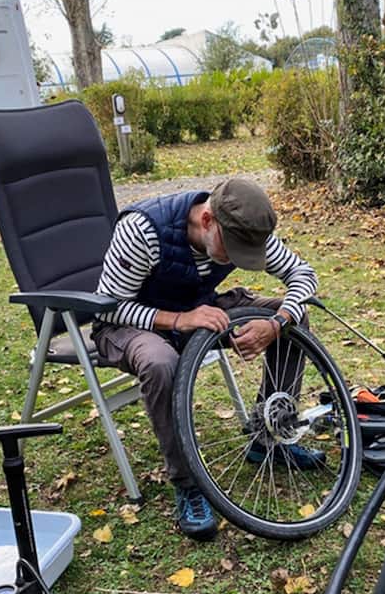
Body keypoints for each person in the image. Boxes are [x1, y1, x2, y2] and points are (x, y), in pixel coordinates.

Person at [91, 178, 323, 542]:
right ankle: (187, 483)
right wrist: (179, 320)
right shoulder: (142, 231)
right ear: (207, 220)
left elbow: (303, 274)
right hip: (132, 324)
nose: (237, 260)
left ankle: (269, 439)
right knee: (160, 362)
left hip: (201, 309)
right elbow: (110, 307)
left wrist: (276, 323)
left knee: (294, 318)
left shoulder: (245, 229)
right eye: (231, 251)